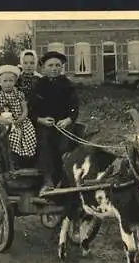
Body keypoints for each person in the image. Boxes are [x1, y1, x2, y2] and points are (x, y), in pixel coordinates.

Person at [28, 51, 80, 194]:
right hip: (43, 125)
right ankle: (47, 179)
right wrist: (41, 120)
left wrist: (68, 120)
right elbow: (30, 110)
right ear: (43, 68)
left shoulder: (68, 85)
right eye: (50, 65)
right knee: (45, 141)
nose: (54, 68)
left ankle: (66, 179)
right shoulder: (38, 85)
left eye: (58, 65)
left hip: (63, 125)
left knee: (66, 144)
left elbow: (74, 108)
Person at [0, 65, 37, 169]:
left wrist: (21, 118)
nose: (8, 83)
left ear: (15, 82)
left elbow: (25, 110)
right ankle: (13, 161)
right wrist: (2, 120)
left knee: (30, 134)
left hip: (21, 121)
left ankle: (27, 159)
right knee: (12, 137)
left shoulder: (19, 94)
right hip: (5, 123)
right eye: (5, 81)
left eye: (10, 81)